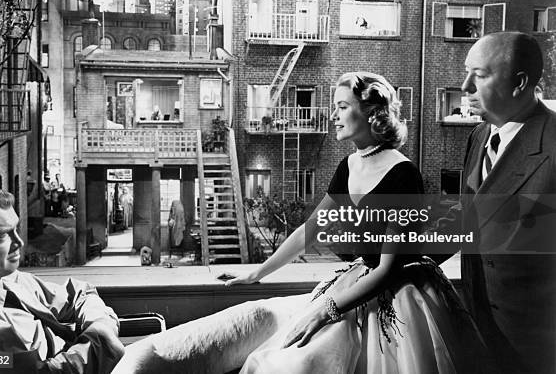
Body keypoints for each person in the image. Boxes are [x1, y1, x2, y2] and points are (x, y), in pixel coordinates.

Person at [113, 72, 486, 374]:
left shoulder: (403, 174)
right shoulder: (350, 165)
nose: (334, 115)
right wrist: (256, 275)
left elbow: (387, 269)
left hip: (396, 292)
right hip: (357, 280)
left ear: (371, 114)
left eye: (342, 106)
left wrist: (327, 310)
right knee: (284, 357)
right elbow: (310, 230)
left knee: (306, 360)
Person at [436, 31, 556, 373]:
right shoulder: (478, 137)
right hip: (480, 336)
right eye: (466, 72)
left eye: (480, 75)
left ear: (519, 82)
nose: (464, 87)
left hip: (536, 350)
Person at [0, 185, 124, 373]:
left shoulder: (9, 279)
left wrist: (100, 327)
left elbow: (80, 294)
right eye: (3, 235)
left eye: (16, 229)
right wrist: (103, 335)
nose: (19, 242)